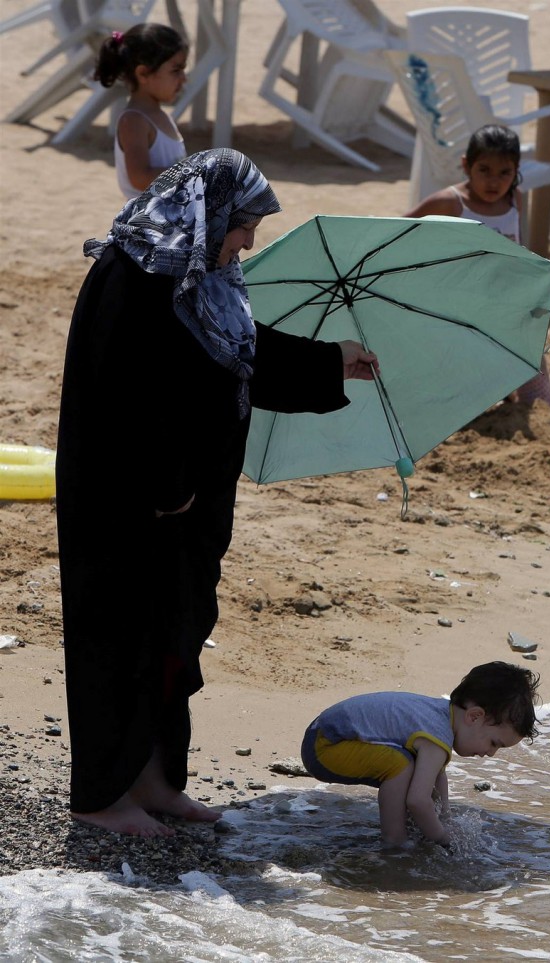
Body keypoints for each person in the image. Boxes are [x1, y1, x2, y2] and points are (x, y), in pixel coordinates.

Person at [56, 148, 379, 838]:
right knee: (119, 640)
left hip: (183, 509)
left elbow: (239, 353)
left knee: (173, 637)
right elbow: (132, 399)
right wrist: (165, 488)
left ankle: (154, 780)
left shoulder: (200, 277)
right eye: (244, 227)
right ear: (211, 214)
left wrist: (333, 361)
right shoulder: (133, 275)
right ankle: (99, 794)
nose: (247, 244)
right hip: (130, 506)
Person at [301, 661, 540, 849]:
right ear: (475, 716)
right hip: (324, 746)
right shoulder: (436, 735)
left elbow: (437, 776)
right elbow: (417, 800)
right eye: (493, 743)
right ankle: (395, 841)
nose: (491, 753)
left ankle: (406, 831)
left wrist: (445, 817)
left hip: (323, 734)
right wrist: (444, 839)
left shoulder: (440, 717)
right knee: (402, 766)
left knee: (413, 769)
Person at [406, 124, 550, 407]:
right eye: (484, 170)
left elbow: (518, 246)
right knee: (468, 370)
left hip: (507, 298)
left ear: (516, 171)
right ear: (466, 165)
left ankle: (535, 404)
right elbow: (399, 228)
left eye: (504, 173)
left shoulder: (514, 199)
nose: (494, 182)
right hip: (460, 302)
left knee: (530, 355)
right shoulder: (451, 202)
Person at [94, 23, 189, 199]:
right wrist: (190, 173)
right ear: (143, 73)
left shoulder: (161, 116)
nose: (184, 78)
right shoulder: (134, 121)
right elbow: (139, 177)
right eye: (176, 70)